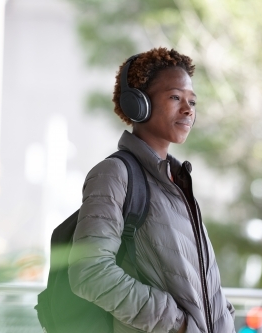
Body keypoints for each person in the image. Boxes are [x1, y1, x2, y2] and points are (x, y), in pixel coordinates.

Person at [68, 47, 235, 333]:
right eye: (175, 97)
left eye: (192, 101)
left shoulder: (178, 182)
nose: (188, 110)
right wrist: (179, 325)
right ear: (138, 104)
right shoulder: (114, 174)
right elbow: (89, 272)